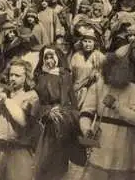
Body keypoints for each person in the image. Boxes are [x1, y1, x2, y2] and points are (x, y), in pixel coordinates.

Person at [79, 47, 135, 180]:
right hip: (101, 143)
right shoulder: (97, 87)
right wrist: (86, 129)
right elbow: (86, 113)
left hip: (124, 144)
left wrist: (117, 106)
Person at [0, 59, 39, 180]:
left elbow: (23, 121)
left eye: (17, 75)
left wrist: (7, 101)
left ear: (26, 77)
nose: (12, 78)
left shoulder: (31, 96)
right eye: (10, 74)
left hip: (17, 150)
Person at [33, 46, 79, 180]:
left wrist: (68, 114)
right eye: (45, 58)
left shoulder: (65, 75)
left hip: (63, 118)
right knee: (44, 156)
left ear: (58, 58)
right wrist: (46, 111)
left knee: (60, 156)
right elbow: (37, 99)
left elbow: (71, 99)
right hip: (45, 118)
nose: (48, 61)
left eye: (51, 57)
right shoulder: (40, 75)